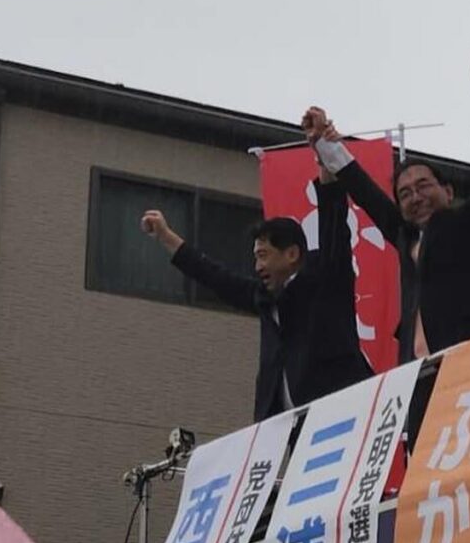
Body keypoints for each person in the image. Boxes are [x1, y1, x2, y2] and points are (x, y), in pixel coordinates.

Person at [304, 52, 470, 361]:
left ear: (449, 190)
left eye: (424, 186)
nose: (415, 197)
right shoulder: (407, 235)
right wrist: (324, 143)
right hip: (415, 372)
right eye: (405, 193)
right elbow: (366, 193)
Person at [139, 157, 370, 421]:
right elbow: (217, 278)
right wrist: (167, 237)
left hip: (339, 411)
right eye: (256, 257)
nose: (257, 266)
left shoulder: (325, 277)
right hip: (288, 425)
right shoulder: (265, 297)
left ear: (292, 253)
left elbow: (334, 229)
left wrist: (328, 168)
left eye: (264, 255)